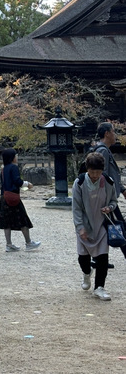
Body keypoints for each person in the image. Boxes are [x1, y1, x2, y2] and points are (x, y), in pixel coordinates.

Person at [72, 151, 117, 301]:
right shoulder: (79, 183)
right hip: (85, 225)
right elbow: (76, 208)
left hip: (101, 225)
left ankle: (100, 288)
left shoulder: (108, 182)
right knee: (83, 258)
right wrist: (80, 227)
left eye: (98, 172)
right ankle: (86, 273)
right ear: (87, 169)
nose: (95, 175)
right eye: (92, 172)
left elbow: (113, 201)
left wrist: (109, 208)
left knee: (103, 258)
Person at [0, 148, 41, 252]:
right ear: (12, 158)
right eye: (15, 155)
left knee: (6, 221)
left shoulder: (3, 169)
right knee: (22, 218)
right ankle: (28, 242)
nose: (17, 157)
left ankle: (9, 244)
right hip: (13, 197)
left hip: (4, 197)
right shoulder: (14, 167)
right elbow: (17, 181)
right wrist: (27, 184)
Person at [94, 122, 126, 262]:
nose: (115, 135)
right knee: (119, 226)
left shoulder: (103, 150)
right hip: (107, 198)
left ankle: (98, 259)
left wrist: (122, 189)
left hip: (107, 197)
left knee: (107, 228)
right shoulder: (103, 151)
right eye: (113, 132)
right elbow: (102, 176)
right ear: (107, 133)